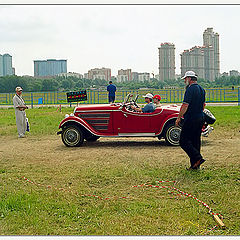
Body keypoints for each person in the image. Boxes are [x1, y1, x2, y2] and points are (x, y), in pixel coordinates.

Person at [175, 71, 206, 170]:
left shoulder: (190, 89)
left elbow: (185, 105)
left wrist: (179, 117)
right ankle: (195, 165)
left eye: (185, 79)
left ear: (189, 78)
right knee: (195, 141)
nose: (184, 81)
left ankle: (197, 158)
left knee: (183, 141)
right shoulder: (202, 89)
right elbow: (203, 105)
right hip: (200, 117)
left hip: (191, 118)